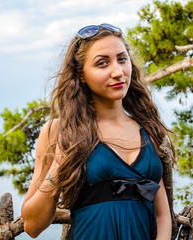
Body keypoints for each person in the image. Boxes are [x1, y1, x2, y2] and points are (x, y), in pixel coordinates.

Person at [21, 23, 174, 240]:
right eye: (102, 63)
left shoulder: (149, 131)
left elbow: (162, 214)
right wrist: (58, 166)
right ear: (81, 75)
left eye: (122, 59)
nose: (117, 72)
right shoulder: (59, 132)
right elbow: (32, 225)